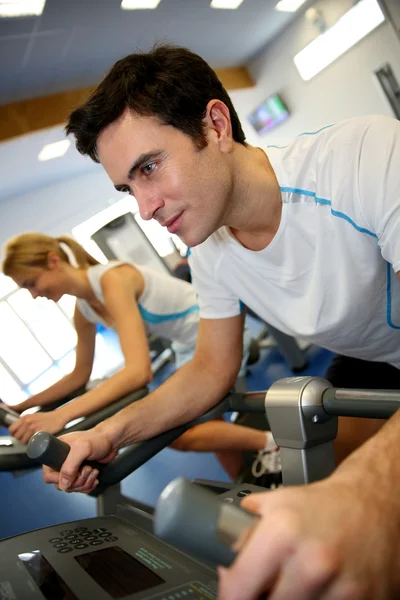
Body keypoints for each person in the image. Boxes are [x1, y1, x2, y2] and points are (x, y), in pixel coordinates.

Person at [40, 44, 400, 598]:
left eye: (149, 168)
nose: (144, 207)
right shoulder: (209, 250)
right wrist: (106, 433)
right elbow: (211, 368)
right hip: (375, 363)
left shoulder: (364, 157)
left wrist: (365, 496)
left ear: (214, 124)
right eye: (127, 187)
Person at [1, 232, 276, 480]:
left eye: (31, 283)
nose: (34, 294)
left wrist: (60, 416)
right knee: (198, 427)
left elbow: (138, 372)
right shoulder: (84, 310)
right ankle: (247, 480)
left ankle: (269, 443)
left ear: (53, 261)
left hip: (216, 332)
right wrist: (21, 406)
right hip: (186, 345)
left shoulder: (112, 279)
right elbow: (78, 375)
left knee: (183, 433)